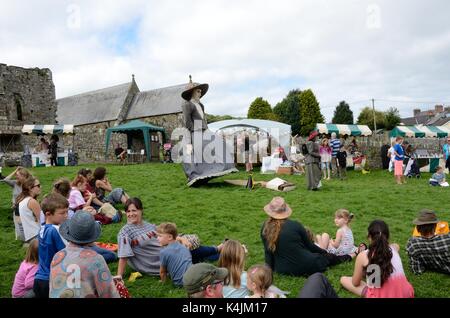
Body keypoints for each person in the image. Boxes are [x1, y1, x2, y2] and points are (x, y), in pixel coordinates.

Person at [261, 197, 352, 277]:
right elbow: (310, 246)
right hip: (307, 266)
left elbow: (268, 252)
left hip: (282, 269)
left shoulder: (265, 228)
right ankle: (350, 256)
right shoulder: (295, 225)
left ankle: (349, 255)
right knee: (329, 258)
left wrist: (269, 270)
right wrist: (324, 252)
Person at [180, 76, 237, 187]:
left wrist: (206, 130)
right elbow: (187, 121)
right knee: (190, 152)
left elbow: (203, 120)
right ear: (192, 92)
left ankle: (214, 171)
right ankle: (194, 176)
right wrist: (196, 133)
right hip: (192, 132)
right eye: (198, 91)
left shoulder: (201, 105)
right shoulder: (188, 104)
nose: (200, 93)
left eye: (201, 91)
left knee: (218, 143)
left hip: (203, 130)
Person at [49, 211, 119, 298]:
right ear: (92, 237)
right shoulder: (95, 259)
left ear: (69, 232)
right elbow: (108, 292)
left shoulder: (57, 256)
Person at [340, 220, 414, 298]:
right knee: (375, 280)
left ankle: (376, 291)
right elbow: (396, 245)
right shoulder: (394, 249)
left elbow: (355, 283)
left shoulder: (363, 255)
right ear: (388, 236)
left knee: (344, 279)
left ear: (369, 236)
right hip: (406, 294)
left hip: (381, 295)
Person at [33, 193, 68, 298]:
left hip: (39, 278)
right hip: (53, 281)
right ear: (48, 214)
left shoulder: (42, 229)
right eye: (62, 213)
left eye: (67, 211)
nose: (66, 215)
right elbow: (68, 252)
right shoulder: (56, 230)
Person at [116, 198, 161, 279]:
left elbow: (163, 233)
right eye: (128, 211)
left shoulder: (147, 224)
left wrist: (180, 239)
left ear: (141, 210)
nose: (131, 214)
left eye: (134, 210)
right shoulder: (125, 232)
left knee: (190, 242)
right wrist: (119, 276)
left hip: (167, 251)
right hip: (156, 262)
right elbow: (123, 255)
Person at [406, 209, 450, 275]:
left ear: (418, 227)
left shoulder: (412, 243)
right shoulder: (447, 239)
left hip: (434, 267)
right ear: (435, 226)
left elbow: (417, 270)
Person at [156, 222, 192, 287]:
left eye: (160, 236)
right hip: (192, 277)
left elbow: (162, 272)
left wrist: (163, 282)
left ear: (170, 237)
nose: (157, 238)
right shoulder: (183, 246)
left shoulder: (164, 252)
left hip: (179, 283)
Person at [1, 167, 32, 240]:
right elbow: (5, 180)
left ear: (24, 176)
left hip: (25, 207)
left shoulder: (29, 185)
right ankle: (20, 239)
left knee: (26, 223)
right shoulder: (15, 183)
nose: (16, 176)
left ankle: (28, 238)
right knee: (18, 224)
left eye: (18, 175)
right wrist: (15, 171)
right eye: (16, 175)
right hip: (16, 208)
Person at [16, 177, 42, 242]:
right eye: (38, 185)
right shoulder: (32, 201)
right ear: (30, 188)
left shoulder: (23, 201)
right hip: (37, 234)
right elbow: (42, 220)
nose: (40, 187)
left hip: (30, 235)